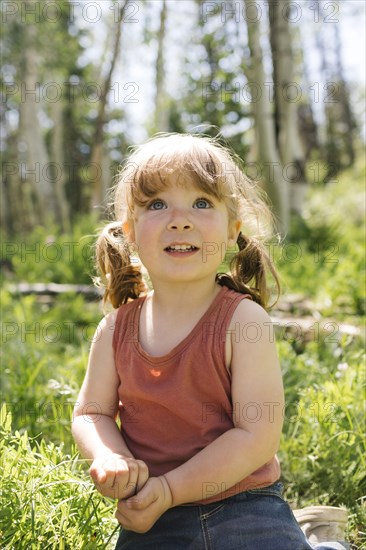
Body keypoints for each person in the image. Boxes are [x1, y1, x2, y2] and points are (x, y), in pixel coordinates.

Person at [72, 133, 348, 549]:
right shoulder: (115, 330)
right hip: (150, 512)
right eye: (156, 204)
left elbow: (256, 436)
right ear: (130, 232)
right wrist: (111, 458)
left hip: (244, 504)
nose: (179, 219)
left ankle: (322, 542)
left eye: (202, 203)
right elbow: (91, 413)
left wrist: (171, 488)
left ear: (232, 228)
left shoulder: (242, 321)